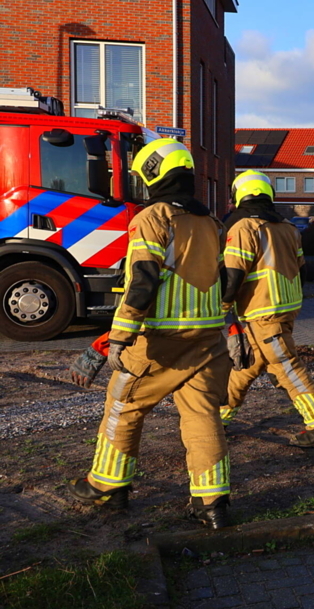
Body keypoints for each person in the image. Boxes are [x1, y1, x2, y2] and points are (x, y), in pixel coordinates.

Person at [68, 139, 236, 528]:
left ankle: (108, 487)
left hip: (159, 340)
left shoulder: (152, 218)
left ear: (154, 175)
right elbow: (224, 280)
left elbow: (142, 282)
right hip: (207, 340)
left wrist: (120, 336)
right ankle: (212, 504)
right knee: (201, 414)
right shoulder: (213, 222)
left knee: (123, 404)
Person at [219, 170, 314, 448]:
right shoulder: (288, 228)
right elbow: (302, 271)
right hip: (284, 309)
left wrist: (221, 309)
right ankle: (219, 417)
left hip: (261, 313)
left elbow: (233, 276)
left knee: (287, 368)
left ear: (239, 195)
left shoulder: (243, 229)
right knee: (245, 367)